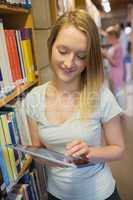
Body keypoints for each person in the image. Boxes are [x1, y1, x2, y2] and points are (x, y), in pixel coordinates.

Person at [24, 10, 125, 200]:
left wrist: (90, 153)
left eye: (81, 56)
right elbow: (36, 149)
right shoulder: (33, 99)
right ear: (50, 45)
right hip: (57, 195)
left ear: (89, 60)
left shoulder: (101, 95)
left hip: (101, 195)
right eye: (62, 51)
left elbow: (118, 149)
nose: (69, 63)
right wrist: (47, 157)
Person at [101, 26, 125, 108]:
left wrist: (106, 54)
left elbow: (115, 63)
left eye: (108, 37)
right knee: (113, 93)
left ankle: (121, 112)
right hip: (112, 72)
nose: (107, 39)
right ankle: (116, 112)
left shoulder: (118, 47)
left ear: (113, 36)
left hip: (116, 73)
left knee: (117, 93)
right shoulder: (112, 47)